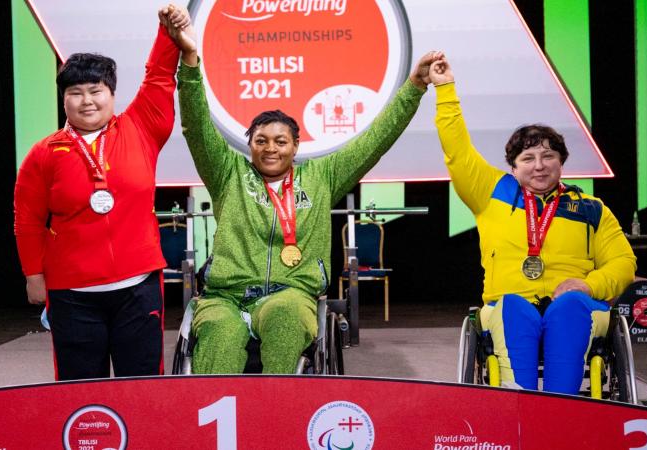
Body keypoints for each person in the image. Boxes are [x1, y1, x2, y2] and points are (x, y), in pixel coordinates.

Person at [160, 12, 440, 373]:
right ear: (249, 146)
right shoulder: (228, 173)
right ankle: (213, 425)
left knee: (285, 317)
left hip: (291, 294)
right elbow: (196, 125)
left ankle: (278, 420)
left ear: (296, 146)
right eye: (260, 141)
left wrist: (414, 87)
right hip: (225, 297)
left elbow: (376, 140)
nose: (270, 148)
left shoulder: (322, 176)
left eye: (280, 141)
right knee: (217, 333)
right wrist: (189, 62)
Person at [427, 55, 636, 394]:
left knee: (568, 307)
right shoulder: (491, 193)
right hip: (507, 306)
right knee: (514, 307)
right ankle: (520, 408)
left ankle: (560, 407)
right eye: (528, 158)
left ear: (561, 162)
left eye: (548, 156)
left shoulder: (591, 209)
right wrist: (445, 89)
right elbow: (457, 150)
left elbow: (624, 264)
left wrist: (589, 285)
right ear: (513, 167)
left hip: (578, 306)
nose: (539, 166)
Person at [13, 4, 189, 381]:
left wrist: (168, 33)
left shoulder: (141, 128)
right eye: (75, 92)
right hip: (72, 292)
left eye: (96, 90)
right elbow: (27, 220)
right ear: (63, 99)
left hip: (137, 284)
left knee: (140, 383)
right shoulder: (44, 153)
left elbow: (159, 76)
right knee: (80, 389)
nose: (87, 100)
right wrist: (33, 275)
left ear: (112, 92)